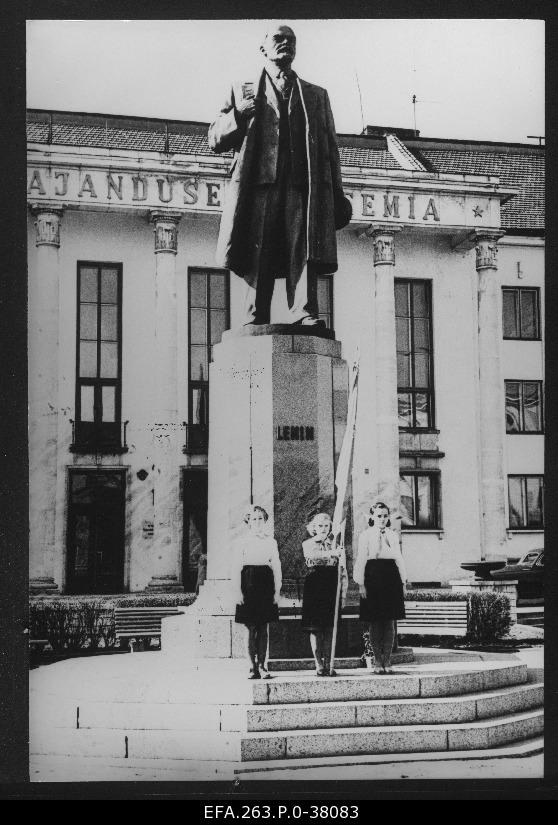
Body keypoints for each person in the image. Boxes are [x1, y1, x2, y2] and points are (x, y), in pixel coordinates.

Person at [208, 24, 352, 327]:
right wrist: (238, 115)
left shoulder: (316, 95)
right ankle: (254, 315)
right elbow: (214, 139)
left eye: (291, 40)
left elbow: (330, 151)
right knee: (257, 247)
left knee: (303, 247)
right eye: (278, 39)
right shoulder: (242, 89)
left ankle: (303, 311)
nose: (285, 43)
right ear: (263, 48)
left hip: (302, 185)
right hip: (259, 185)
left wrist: (337, 196)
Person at [353, 502, 407, 674]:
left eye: (385, 516)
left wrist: (403, 582)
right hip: (373, 576)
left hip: (391, 577)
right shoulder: (365, 535)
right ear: (372, 517)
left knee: (390, 622)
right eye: (379, 516)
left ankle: (388, 660)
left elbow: (398, 558)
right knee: (375, 622)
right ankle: (377, 660)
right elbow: (361, 558)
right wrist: (360, 583)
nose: (382, 519)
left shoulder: (392, 535)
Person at [233, 505, 282, 679]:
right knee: (250, 627)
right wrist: (238, 591)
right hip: (248, 581)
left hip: (265, 582)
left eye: (260, 518)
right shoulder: (242, 541)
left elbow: (276, 566)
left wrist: (277, 591)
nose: (257, 522)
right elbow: (236, 567)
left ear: (265, 520)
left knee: (263, 627)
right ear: (248, 521)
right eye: (254, 519)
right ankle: (251, 666)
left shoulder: (271, 541)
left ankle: (262, 665)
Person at [301, 512, 348, 676]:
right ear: (313, 527)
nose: (323, 529)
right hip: (314, 587)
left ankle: (329, 662)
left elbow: (343, 572)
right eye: (319, 526)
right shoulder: (308, 543)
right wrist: (332, 553)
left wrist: (343, 594)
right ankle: (318, 663)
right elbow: (312, 556)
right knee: (316, 629)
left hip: (331, 588)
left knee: (329, 628)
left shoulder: (336, 545)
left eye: (326, 526)